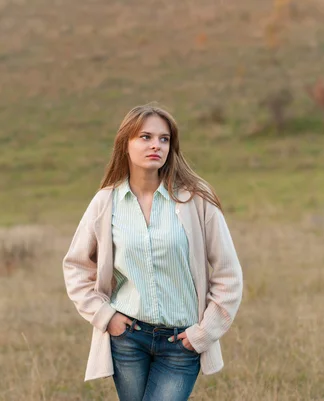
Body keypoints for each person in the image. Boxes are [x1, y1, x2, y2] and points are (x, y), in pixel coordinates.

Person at [62, 103, 244, 401]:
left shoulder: (196, 200)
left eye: (164, 139)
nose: (156, 145)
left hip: (181, 342)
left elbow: (228, 273)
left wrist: (204, 332)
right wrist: (106, 317)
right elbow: (76, 266)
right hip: (128, 339)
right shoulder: (106, 202)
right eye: (145, 137)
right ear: (126, 144)